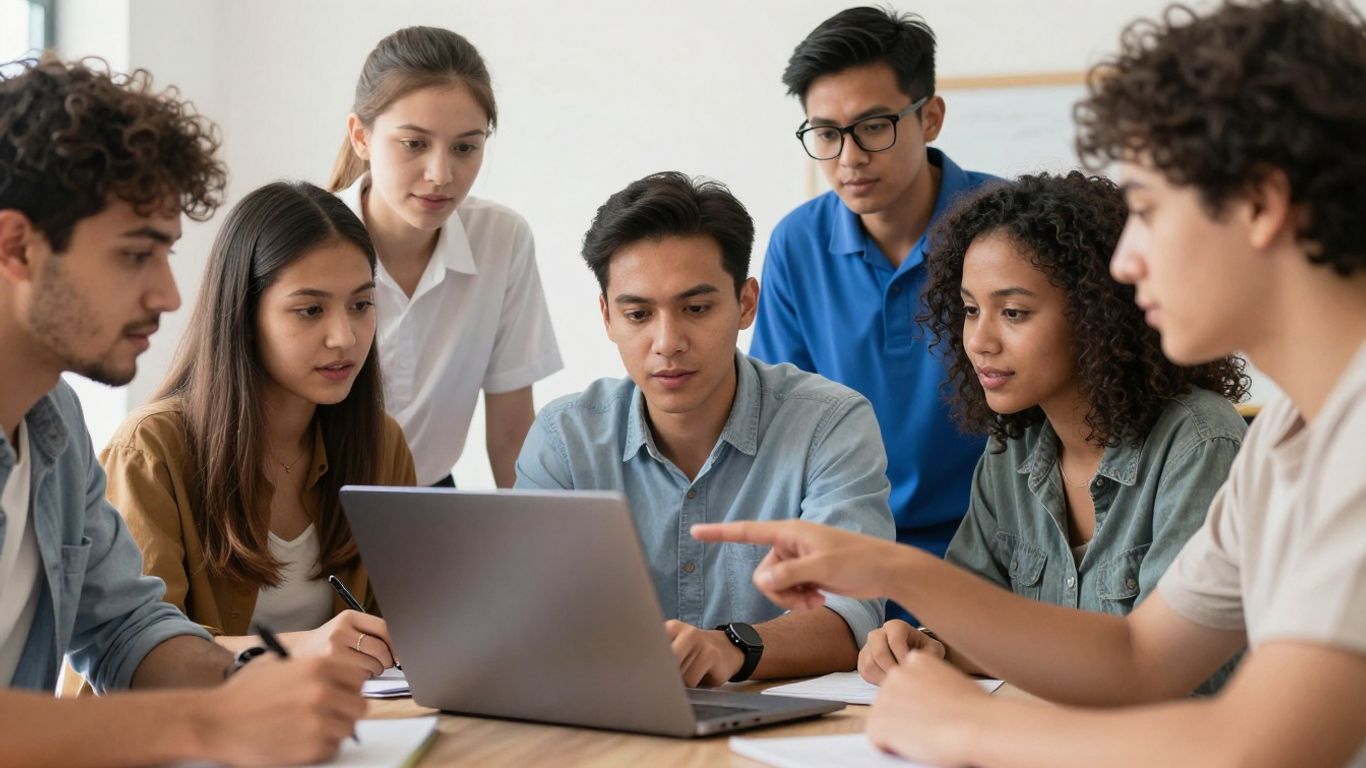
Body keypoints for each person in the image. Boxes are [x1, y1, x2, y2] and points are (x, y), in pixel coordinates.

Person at [695, 1, 1366, 764]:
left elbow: (1256, 748)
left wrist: (965, 725)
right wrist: (886, 568)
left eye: (1148, 210)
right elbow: (1137, 657)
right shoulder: (1287, 438)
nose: (1124, 262)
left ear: (1261, 205)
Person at [0, 57, 365, 766]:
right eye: (135, 255)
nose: (169, 296)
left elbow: (126, 629)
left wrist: (255, 687)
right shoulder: (139, 438)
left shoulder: (54, 427)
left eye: (166, 253)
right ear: (17, 247)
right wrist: (209, 723)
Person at [857, 172, 1247, 693]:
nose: (979, 341)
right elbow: (978, 624)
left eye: (1013, 312)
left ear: (1099, 316)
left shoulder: (1200, 444)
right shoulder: (1009, 450)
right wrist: (931, 645)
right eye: (971, 310)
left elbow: (1172, 674)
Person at [516, 172, 894, 687]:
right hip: (610, 715)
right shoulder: (564, 439)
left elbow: (850, 615)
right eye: (638, 314)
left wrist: (729, 647)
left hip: (785, 721)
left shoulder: (830, 423)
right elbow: (530, 615)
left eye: (696, 309)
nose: (667, 342)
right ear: (607, 317)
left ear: (746, 303)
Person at [99, 181, 415, 677]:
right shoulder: (150, 449)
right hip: (191, 722)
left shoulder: (381, 443)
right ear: (244, 316)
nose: (345, 337)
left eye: (360, 305)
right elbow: (137, 653)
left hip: (349, 718)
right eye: (310, 310)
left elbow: (409, 628)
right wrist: (301, 649)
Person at [751, 9, 998, 616]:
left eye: (873, 126)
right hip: (849, 552)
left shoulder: (1006, 226)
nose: (849, 157)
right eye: (826, 133)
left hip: (997, 551)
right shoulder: (797, 243)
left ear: (929, 117)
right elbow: (781, 420)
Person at [329, 26, 562, 488]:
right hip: (309, 501)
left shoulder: (502, 240)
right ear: (360, 136)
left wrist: (529, 532)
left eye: (465, 147)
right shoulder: (303, 241)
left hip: (430, 497)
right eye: (414, 144)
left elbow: (512, 433)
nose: (441, 174)